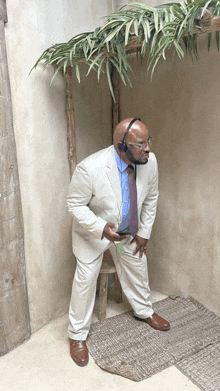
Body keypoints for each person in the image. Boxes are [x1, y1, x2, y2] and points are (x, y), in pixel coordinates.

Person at [66, 118, 170, 367]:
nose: (148, 149)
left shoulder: (150, 162)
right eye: (140, 144)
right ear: (122, 146)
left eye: (148, 142)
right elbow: (74, 204)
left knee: (137, 266)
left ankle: (144, 310)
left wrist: (144, 232)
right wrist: (101, 228)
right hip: (95, 233)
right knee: (86, 278)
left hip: (129, 230)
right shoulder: (89, 168)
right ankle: (77, 335)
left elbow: (151, 197)